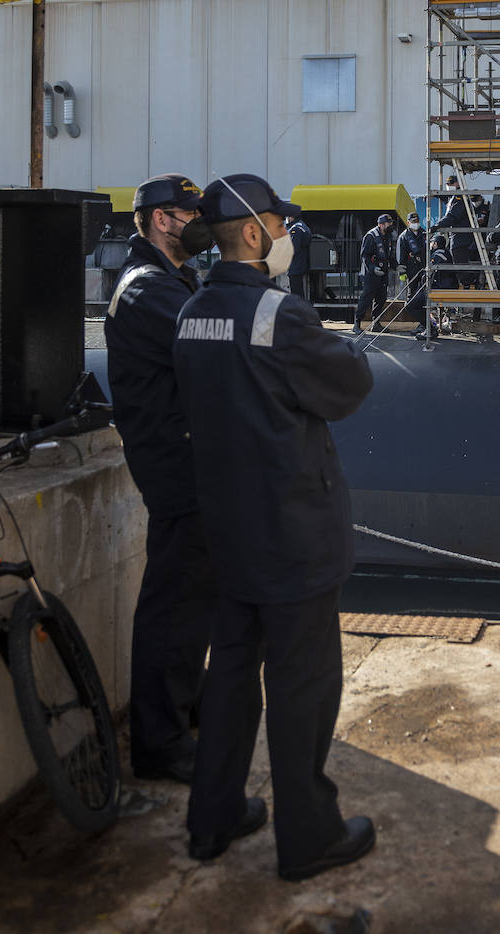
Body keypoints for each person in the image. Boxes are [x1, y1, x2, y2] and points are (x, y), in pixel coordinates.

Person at [172, 173, 375, 879]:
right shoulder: (280, 316)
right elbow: (347, 386)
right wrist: (344, 343)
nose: (288, 238)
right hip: (293, 539)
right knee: (302, 687)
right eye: (282, 227)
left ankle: (213, 818)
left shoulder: (189, 313)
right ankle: (310, 835)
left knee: (229, 675)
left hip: (227, 534)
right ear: (255, 234)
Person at [104, 174, 217, 785]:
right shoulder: (146, 288)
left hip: (191, 455)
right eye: (184, 213)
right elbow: (207, 335)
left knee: (194, 592)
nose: (195, 222)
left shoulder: (172, 277)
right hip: (173, 461)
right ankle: (158, 740)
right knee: (173, 601)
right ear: (155, 220)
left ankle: (184, 697)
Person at [353, 213, 395, 335]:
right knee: (366, 298)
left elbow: (388, 255)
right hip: (371, 273)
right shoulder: (371, 236)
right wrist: (372, 268)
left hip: (383, 271)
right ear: (381, 224)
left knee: (381, 298)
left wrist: (396, 265)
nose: (390, 225)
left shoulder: (387, 236)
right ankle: (357, 323)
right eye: (388, 223)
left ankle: (376, 323)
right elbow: (365, 256)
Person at [433, 176, 471, 285]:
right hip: (457, 236)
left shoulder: (460, 197)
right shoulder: (454, 196)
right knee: (457, 261)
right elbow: (448, 201)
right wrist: (435, 194)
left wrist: (436, 226)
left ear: (458, 183)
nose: (449, 186)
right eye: (448, 184)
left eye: (452, 184)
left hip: (461, 237)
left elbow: (452, 215)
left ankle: (467, 286)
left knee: (459, 262)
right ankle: (465, 285)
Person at [397, 210, 427, 334]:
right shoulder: (404, 236)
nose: (416, 224)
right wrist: (402, 273)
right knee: (412, 298)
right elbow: (400, 257)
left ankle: (423, 324)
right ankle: (420, 322)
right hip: (411, 272)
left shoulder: (424, 233)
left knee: (424, 298)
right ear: (408, 222)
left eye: (417, 221)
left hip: (424, 271)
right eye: (413, 222)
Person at [287, 213, 313, 298]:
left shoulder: (296, 229)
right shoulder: (303, 226)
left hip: (296, 266)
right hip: (301, 264)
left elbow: (293, 249)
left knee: (296, 291)